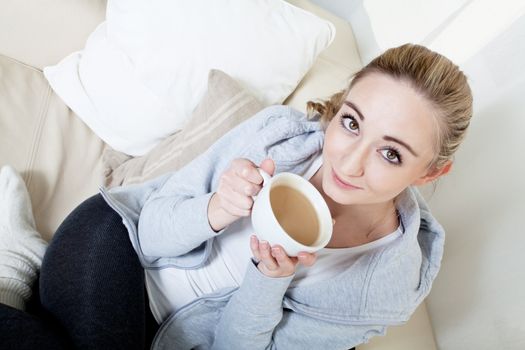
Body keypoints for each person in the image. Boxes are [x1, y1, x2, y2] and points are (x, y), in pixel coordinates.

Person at [0, 43, 473, 349]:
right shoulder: (276, 136)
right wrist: (214, 209)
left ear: (431, 171)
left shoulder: (383, 287)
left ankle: (18, 267)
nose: (348, 163)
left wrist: (269, 279)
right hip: (114, 246)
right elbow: (147, 231)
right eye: (350, 123)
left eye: (390, 153)